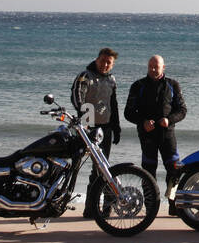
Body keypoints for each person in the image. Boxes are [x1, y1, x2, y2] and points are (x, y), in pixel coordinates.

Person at [124, 55, 187, 203]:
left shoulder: (173, 85)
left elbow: (182, 110)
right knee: (148, 172)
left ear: (163, 67)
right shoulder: (138, 86)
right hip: (147, 135)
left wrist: (169, 119)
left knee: (174, 170)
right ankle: (151, 205)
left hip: (167, 134)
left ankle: (174, 204)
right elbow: (128, 112)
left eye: (156, 67)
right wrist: (142, 122)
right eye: (150, 66)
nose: (153, 69)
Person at [71, 47, 121, 218]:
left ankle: (105, 208)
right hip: (87, 128)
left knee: (103, 169)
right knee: (86, 169)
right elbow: (77, 97)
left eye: (109, 62)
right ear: (97, 59)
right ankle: (90, 208)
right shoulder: (85, 76)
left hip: (105, 128)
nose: (105, 64)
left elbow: (113, 105)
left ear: (112, 65)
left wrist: (117, 127)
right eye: (103, 61)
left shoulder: (112, 80)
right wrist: (86, 120)